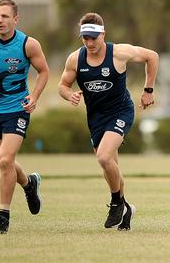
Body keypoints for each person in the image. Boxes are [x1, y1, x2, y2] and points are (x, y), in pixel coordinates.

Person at [58, 12, 158, 231]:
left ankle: (115, 203)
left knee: (103, 157)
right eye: (85, 37)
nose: (90, 42)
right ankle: (126, 208)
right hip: (95, 118)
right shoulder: (75, 59)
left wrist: (148, 90)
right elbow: (63, 85)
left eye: (94, 37)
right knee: (111, 168)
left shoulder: (119, 52)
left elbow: (152, 56)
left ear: (103, 34)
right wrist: (70, 95)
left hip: (121, 112)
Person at [0, 0, 49, 234]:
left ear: (16, 19)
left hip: (17, 109)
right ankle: (29, 184)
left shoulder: (28, 44)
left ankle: (3, 218)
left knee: (5, 160)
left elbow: (44, 71)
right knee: (6, 164)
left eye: (5, 16)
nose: (0, 21)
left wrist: (34, 96)